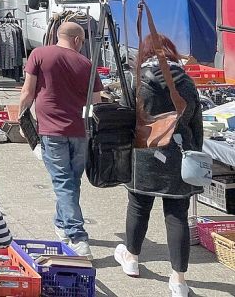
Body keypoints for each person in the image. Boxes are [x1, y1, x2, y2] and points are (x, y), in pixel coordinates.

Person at [114, 34, 203, 297]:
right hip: (179, 154)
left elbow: (124, 115)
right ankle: (179, 280)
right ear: (171, 52)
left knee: (139, 206)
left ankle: (131, 258)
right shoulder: (186, 81)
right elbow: (195, 123)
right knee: (177, 216)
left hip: (144, 153)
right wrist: (194, 151)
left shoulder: (136, 79)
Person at [18, 21, 102, 257]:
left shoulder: (39, 54)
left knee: (64, 182)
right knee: (71, 182)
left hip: (51, 131)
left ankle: (77, 236)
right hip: (80, 131)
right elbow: (96, 102)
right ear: (77, 40)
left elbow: (27, 92)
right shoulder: (87, 63)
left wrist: (21, 117)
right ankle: (62, 224)